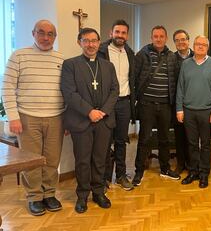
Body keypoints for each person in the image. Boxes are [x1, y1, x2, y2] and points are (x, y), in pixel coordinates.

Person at [1, 20, 65, 216]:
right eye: (41, 33)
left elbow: (68, 90)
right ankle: (35, 197)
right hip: (28, 117)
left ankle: (49, 194)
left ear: (55, 36)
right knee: (32, 160)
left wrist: (69, 119)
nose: (46, 37)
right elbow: (7, 87)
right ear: (33, 33)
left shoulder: (61, 59)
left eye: (50, 34)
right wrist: (13, 117)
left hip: (57, 117)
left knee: (52, 159)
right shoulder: (19, 56)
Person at [61, 28, 119, 213]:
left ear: (99, 42)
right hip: (81, 121)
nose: (91, 44)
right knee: (83, 161)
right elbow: (69, 93)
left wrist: (102, 111)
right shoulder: (70, 65)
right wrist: (89, 112)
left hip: (103, 121)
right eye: (86, 40)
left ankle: (98, 192)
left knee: (100, 159)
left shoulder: (108, 66)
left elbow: (114, 91)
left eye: (94, 41)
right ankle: (82, 195)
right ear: (80, 42)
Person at [133, 25, 180, 186]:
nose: (158, 39)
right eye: (155, 36)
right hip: (147, 105)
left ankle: (165, 169)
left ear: (166, 38)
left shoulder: (172, 57)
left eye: (161, 36)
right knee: (144, 139)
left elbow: (175, 81)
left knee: (164, 139)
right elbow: (134, 77)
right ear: (151, 38)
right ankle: (138, 171)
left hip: (166, 105)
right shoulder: (142, 55)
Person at [176, 35, 211, 188]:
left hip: (207, 111)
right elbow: (180, 88)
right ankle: (193, 172)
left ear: (207, 47)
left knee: (206, 144)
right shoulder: (186, 64)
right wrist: (179, 109)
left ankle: (204, 173)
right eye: (198, 44)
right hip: (188, 111)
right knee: (191, 143)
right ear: (193, 46)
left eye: (203, 44)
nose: (200, 46)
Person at [99, 19, 136, 191]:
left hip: (124, 103)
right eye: (117, 32)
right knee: (105, 141)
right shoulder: (102, 51)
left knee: (121, 141)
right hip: (107, 103)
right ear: (111, 33)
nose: (120, 36)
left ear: (127, 35)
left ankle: (121, 175)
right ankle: (105, 178)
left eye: (123, 33)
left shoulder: (130, 53)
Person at [172, 29, 194, 174]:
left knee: (192, 136)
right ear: (174, 43)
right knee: (179, 135)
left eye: (183, 39)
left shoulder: (197, 57)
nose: (181, 42)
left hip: (194, 103)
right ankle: (180, 163)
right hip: (177, 103)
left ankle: (192, 163)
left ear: (188, 40)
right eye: (177, 40)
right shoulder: (171, 58)